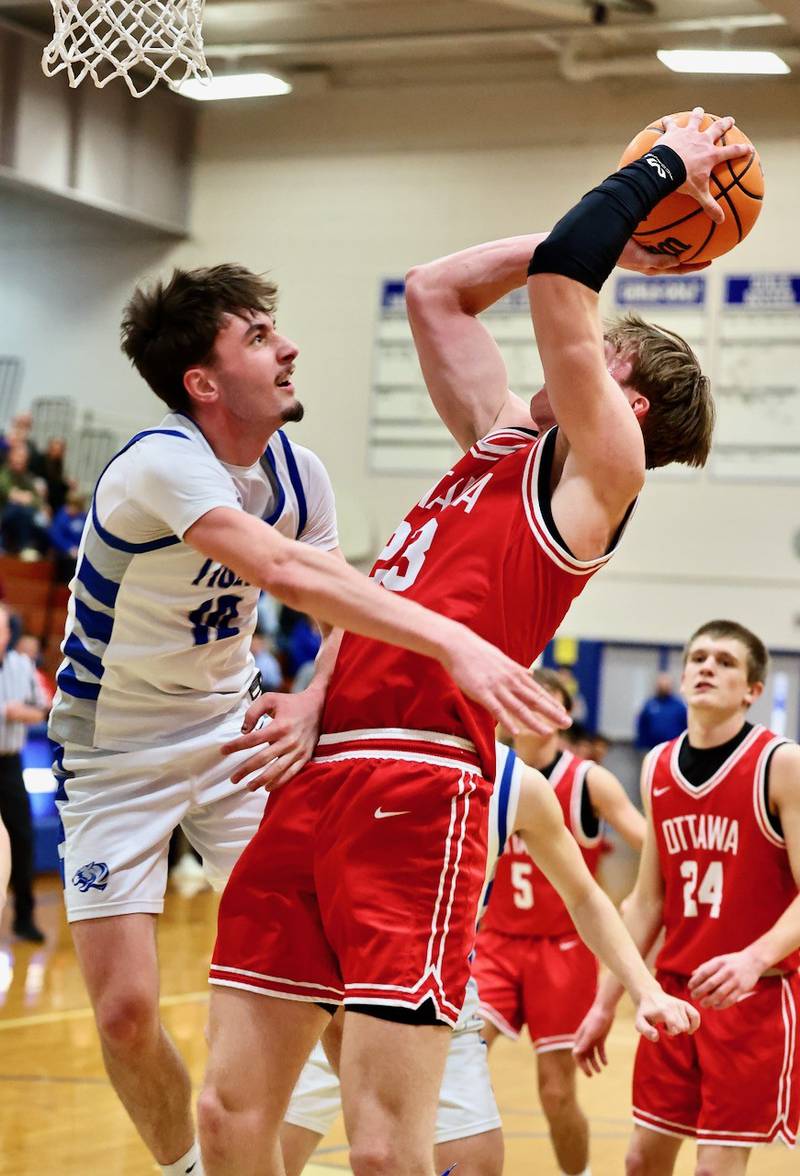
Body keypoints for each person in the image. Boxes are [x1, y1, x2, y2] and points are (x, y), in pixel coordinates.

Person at [200, 111, 746, 1176]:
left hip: (419, 779)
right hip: (315, 770)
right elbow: (433, 289)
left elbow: (555, 296)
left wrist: (656, 174)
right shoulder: (499, 435)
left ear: (622, 401)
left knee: (381, 1144)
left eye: (600, 347)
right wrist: (606, 233)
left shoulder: (602, 469)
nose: (572, 342)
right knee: (227, 1112)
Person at [48, 264, 560, 1176]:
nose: (286, 347)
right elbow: (290, 576)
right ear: (202, 384)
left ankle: (414, 1144)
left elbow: (340, 616)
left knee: (316, 979)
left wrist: (316, 698)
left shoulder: (299, 470)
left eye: (274, 327)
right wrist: (456, 642)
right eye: (256, 337)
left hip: (236, 731)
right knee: (124, 1015)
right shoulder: (161, 464)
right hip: (114, 751)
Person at [281, 736, 694, 1176]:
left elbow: (586, 896)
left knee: (493, 1144)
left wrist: (644, 987)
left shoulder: (522, 783)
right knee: (267, 1149)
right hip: (336, 993)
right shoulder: (350, 741)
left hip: (448, 991)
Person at [574, 619, 800, 1176]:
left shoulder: (782, 764)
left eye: (725, 662)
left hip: (755, 998)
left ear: (752, 690)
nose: (706, 667)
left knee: (712, 1169)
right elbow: (649, 902)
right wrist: (607, 1002)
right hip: (675, 996)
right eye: (697, 658)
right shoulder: (657, 767)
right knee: (640, 1161)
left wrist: (754, 958)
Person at [473, 667, 645, 1176]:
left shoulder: (589, 781)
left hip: (563, 951)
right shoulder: (486, 769)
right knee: (455, 1063)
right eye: (528, 699)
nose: (537, 710)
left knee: (555, 1091)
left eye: (549, 701)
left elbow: (653, 845)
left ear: (562, 716)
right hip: (495, 945)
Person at [0, 603, 50, 942]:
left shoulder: (22, 666)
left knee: (22, 836)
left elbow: (43, 709)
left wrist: (23, 713)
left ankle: (25, 916)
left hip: (9, 762)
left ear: (8, 633)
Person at [635, 672, 687, 751]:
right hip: (651, 748)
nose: (664, 687)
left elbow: (686, 726)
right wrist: (641, 745)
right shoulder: (649, 704)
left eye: (666, 685)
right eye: (661, 685)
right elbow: (642, 725)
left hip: (674, 749)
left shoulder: (679, 706)